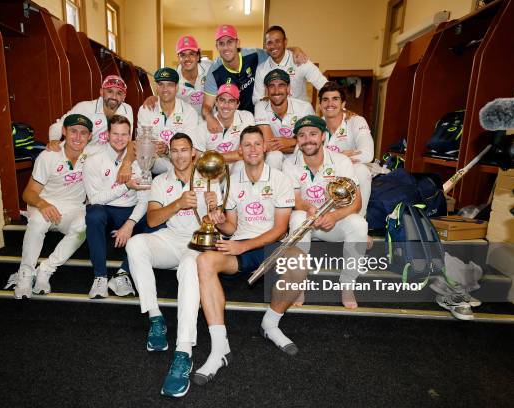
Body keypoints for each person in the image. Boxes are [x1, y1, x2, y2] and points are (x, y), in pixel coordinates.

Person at [193, 126, 305, 386]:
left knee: (299, 260)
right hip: (239, 244)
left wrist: (245, 246)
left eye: (258, 143)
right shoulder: (231, 180)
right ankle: (220, 347)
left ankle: (271, 324)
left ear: (265, 147)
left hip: (269, 245)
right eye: (247, 145)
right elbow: (231, 227)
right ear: (240, 150)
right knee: (204, 260)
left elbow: (280, 229)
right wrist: (218, 220)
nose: (253, 149)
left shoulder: (280, 179)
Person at [125, 133, 222, 398]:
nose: (180, 155)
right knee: (136, 244)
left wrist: (216, 211)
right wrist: (178, 203)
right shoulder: (160, 181)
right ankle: (156, 317)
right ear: (169, 154)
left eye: (184, 150)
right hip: (171, 238)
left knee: (190, 268)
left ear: (193, 153)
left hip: (198, 242)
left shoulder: (210, 177)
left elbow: (222, 223)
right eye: (175, 151)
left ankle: (183, 351)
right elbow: (154, 219)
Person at [283, 115, 368, 309]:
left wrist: (334, 215)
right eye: (302, 135)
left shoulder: (341, 162)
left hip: (334, 222)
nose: (308, 139)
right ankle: (298, 282)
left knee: (359, 224)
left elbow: (356, 203)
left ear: (323, 136)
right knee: (296, 217)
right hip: (309, 221)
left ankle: (347, 284)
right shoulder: (289, 163)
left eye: (313, 134)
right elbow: (295, 200)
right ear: (297, 140)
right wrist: (307, 208)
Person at [14, 114, 93, 299]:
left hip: (73, 208)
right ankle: (25, 274)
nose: (78, 137)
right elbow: (28, 193)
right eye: (73, 131)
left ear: (89, 137)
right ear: (64, 131)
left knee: (84, 225)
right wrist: (43, 204)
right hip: (44, 204)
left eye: (83, 133)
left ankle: (46, 270)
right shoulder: (48, 156)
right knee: (37, 222)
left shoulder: (92, 155)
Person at [83, 115, 155, 298]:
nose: (120, 138)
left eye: (124, 134)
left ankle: (123, 274)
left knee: (157, 222)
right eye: (115, 133)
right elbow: (95, 199)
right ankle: (99, 277)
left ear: (130, 135)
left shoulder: (141, 159)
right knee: (93, 215)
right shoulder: (93, 160)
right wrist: (125, 186)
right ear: (107, 134)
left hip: (130, 211)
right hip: (105, 209)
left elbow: (144, 200)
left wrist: (130, 224)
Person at [202, 24, 308, 131]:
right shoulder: (214, 72)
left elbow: (276, 50)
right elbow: (207, 105)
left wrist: (295, 49)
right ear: (217, 47)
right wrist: (209, 117)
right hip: (231, 121)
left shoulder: (254, 55)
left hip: (257, 117)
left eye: (230, 42)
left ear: (237, 43)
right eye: (221, 43)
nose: (226, 47)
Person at [318, 81, 374, 216]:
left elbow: (367, 154)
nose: (330, 104)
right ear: (320, 105)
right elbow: (301, 154)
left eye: (335, 99)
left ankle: (360, 221)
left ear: (343, 104)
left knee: (361, 170)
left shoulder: (356, 120)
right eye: (325, 100)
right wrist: (341, 157)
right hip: (323, 172)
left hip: (349, 174)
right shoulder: (316, 124)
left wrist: (329, 158)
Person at [136, 67, 200, 175]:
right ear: (156, 87)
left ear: (176, 87)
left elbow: (189, 148)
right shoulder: (145, 109)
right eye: (161, 84)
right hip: (150, 167)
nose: (165, 89)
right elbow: (142, 144)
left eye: (170, 84)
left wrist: (167, 150)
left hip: (180, 167)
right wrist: (152, 148)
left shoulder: (189, 112)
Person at [47, 75, 134, 151]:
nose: (114, 97)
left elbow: (127, 140)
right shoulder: (85, 107)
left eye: (119, 93)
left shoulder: (127, 110)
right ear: (101, 92)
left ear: (124, 97)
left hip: (108, 159)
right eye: (110, 91)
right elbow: (59, 125)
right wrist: (53, 140)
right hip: (83, 156)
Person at [255, 68, 315, 170]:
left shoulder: (304, 107)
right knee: (274, 156)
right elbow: (270, 146)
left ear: (288, 88)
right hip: (274, 157)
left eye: (281, 85)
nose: (276, 91)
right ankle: (273, 186)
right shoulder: (260, 106)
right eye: (272, 86)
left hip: (301, 156)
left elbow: (312, 141)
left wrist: (290, 142)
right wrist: (295, 142)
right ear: (266, 90)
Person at [252, 25, 327, 105]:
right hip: (274, 114)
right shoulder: (261, 69)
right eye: (269, 43)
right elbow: (257, 99)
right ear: (265, 46)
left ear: (285, 42)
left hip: (301, 113)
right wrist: (268, 101)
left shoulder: (298, 59)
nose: (273, 46)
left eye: (277, 41)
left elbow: (321, 83)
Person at [195, 83, 254, 173]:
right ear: (216, 102)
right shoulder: (203, 126)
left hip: (237, 170)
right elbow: (198, 160)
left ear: (237, 104)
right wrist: (234, 155)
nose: (226, 105)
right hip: (213, 172)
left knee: (241, 165)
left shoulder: (246, 117)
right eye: (222, 100)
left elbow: (249, 153)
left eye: (231, 101)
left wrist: (212, 157)